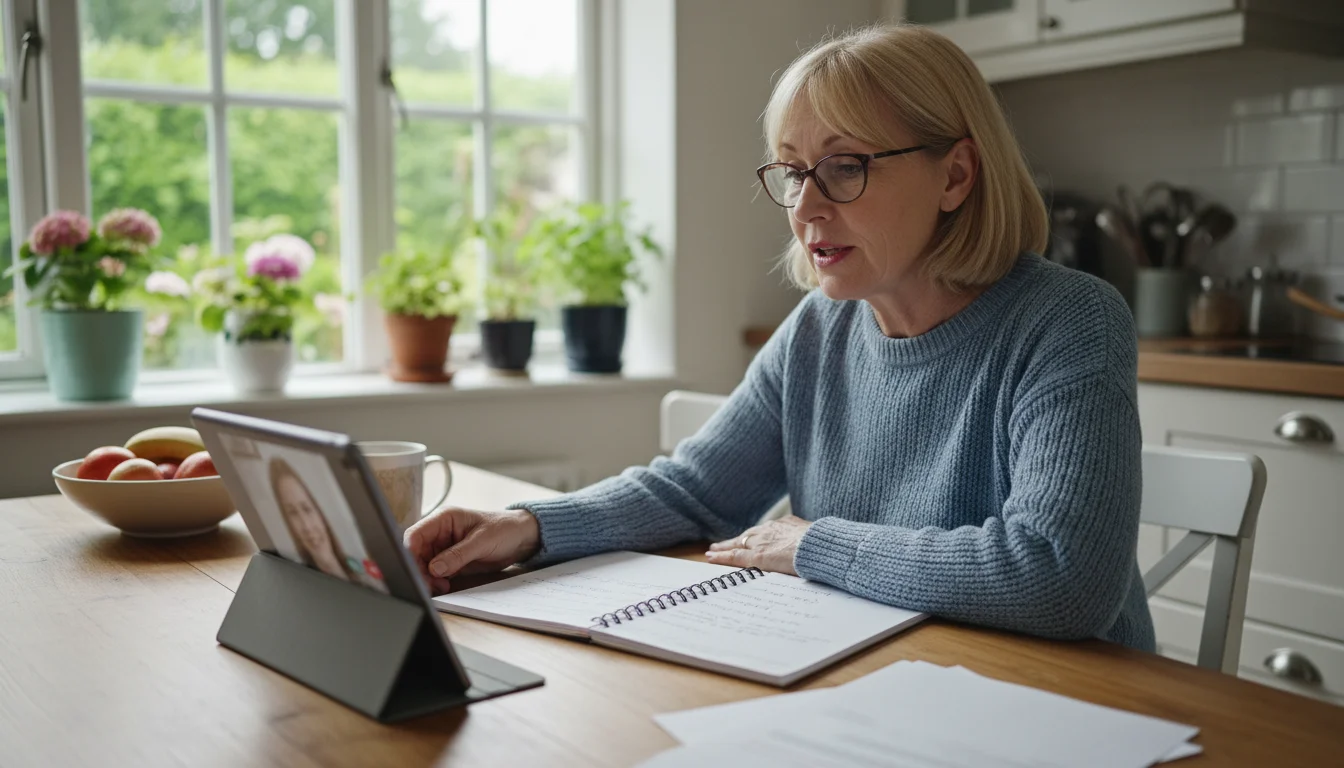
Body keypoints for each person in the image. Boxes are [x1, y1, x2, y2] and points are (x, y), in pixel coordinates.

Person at [405, 23, 1156, 652]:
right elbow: (698, 493)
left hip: (1063, 703)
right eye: (794, 173)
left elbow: (1060, 577)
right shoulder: (821, 329)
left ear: (956, 176)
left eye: (844, 167)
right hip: (888, 674)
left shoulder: (1068, 322)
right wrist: (528, 527)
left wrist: (813, 544)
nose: (806, 207)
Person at [269, 456, 356, 582]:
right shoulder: (295, 578)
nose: (306, 526)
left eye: (307, 509)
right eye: (293, 513)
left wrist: (332, 565)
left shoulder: (363, 572)